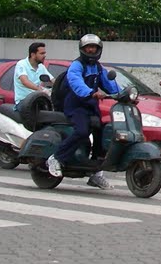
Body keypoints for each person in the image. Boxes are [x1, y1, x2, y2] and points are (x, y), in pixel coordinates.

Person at [46, 34, 120, 189]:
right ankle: (56, 158)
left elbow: (110, 84)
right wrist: (90, 92)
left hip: (91, 106)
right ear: (82, 49)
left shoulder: (98, 67)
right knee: (81, 131)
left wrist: (124, 94)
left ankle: (96, 173)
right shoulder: (77, 66)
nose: (91, 50)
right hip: (75, 106)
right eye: (88, 47)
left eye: (94, 47)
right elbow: (75, 81)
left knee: (103, 131)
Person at [13, 42, 52, 107]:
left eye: (44, 53)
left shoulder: (41, 67)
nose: (44, 55)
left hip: (37, 100)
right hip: (24, 102)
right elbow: (25, 81)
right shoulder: (21, 64)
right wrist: (40, 90)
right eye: (42, 53)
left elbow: (52, 79)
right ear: (33, 55)